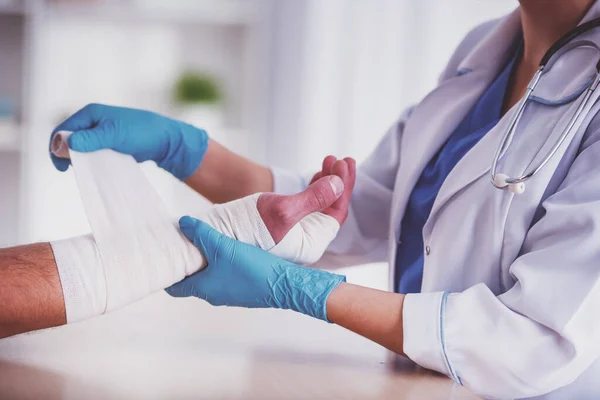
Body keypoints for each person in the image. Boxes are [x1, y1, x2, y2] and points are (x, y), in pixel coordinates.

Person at [8, 0, 600, 397]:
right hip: (415, 384)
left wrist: (303, 292)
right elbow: (357, 212)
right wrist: (183, 149)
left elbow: (537, 337)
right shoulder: (485, 51)